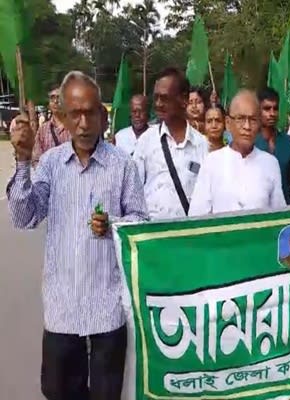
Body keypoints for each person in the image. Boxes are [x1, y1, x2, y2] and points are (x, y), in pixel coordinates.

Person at [6, 71, 147, 400]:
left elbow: (140, 222)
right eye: (75, 115)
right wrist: (23, 161)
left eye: (90, 113)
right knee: (57, 390)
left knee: (106, 394)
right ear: (64, 117)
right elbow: (24, 217)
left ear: (102, 115)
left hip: (107, 309)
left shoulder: (122, 165)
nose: (83, 124)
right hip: (63, 310)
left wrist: (113, 225)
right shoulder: (51, 164)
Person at [188, 90, 286, 216]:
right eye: (240, 119)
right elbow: (197, 216)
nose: (247, 126)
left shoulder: (270, 164)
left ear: (259, 125)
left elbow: (278, 216)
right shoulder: (211, 163)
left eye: (253, 120)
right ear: (228, 123)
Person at [133, 67, 209, 220]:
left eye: (165, 98)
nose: (158, 104)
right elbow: (133, 192)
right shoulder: (146, 142)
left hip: (188, 232)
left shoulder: (202, 145)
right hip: (152, 232)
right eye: (156, 98)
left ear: (184, 99)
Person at [255, 87, 290, 205]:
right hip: (257, 209)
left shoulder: (287, 142)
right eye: (267, 109)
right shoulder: (250, 143)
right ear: (257, 111)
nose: (272, 113)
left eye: (275, 109)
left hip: (283, 207)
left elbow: (289, 186)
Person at [31, 85, 70, 167]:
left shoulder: (75, 128)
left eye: (59, 98)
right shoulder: (43, 130)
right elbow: (36, 158)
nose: (56, 101)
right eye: (52, 98)